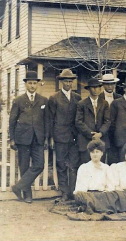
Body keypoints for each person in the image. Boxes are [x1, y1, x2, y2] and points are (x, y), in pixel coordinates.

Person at [9, 71, 49, 204]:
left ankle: (18, 187)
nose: (32, 86)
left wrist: (46, 138)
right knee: (24, 167)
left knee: (39, 165)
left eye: (34, 83)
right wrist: (12, 138)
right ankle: (28, 195)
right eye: (30, 83)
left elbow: (46, 121)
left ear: (37, 84)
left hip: (38, 138)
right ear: (25, 84)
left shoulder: (43, 100)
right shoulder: (18, 100)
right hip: (22, 138)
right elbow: (12, 120)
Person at [48, 69, 82, 201]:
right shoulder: (54, 98)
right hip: (60, 135)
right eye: (66, 81)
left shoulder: (77, 98)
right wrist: (51, 137)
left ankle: (73, 191)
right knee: (61, 164)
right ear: (61, 82)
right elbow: (50, 119)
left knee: (73, 164)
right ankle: (64, 192)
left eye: (70, 81)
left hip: (74, 136)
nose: (68, 84)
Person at [75, 78, 111, 165]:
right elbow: (78, 122)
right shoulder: (82, 104)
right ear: (88, 89)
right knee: (86, 166)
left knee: (100, 167)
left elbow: (107, 121)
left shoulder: (104, 103)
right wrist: (91, 134)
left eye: (97, 87)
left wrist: (100, 133)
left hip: (101, 140)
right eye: (93, 87)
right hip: (86, 140)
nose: (95, 90)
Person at [98, 73, 122, 165]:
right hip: (102, 134)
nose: (110, 86)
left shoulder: (119, 98)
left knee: (114, 162)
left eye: (112, 84)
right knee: (101, 161)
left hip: (115, 135)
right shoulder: (98, 98)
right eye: (107, 84)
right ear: (103, 85)